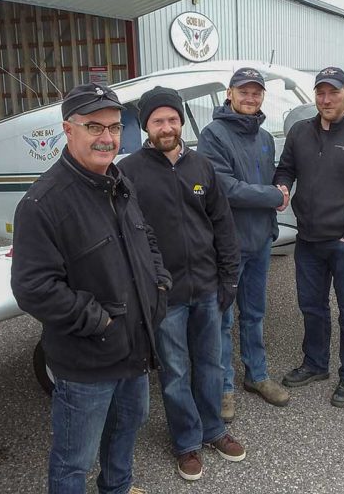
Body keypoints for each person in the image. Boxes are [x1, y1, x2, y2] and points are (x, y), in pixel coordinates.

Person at [10, 83, 171, 494]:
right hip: (87, 363)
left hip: (135, 352)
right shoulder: (42, 203)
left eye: (115, 127)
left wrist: (160, 285)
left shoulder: (119, 182)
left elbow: (146, 238)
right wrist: (100, 321)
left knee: (124, 437)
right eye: (94, 127)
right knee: (73, 462)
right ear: (68, 130)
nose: (108, 138)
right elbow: (33, 287)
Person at [118, 86, 245, 482]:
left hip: (207, 289)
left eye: (173, 118)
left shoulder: (201, 166)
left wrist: (229, 278)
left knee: (210, 363)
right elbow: (128, 235)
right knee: (175, 371)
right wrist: (146, 288)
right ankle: (187, 442)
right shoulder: (130, 172)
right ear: (146, 127)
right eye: (158, 120)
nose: (167, 126)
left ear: (180, 121)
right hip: (165, 295)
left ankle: (214, 430)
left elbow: (222, 224)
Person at [273, 66, 344, 408]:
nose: (326, 99)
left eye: (333, 92)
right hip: (308, 240)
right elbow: (286, 168)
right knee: (311, 307)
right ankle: (315, 363)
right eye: (320, 93)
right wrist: (281, 185)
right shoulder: (299, 133)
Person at [197, 67, 291, 422]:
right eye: (244, 91)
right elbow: (225, 187)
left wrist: (280, 191)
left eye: (256, 92)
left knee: (255, 314)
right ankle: (224, 388)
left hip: (260, 241)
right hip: (228, 245)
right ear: (230, 94)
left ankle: (258, 375)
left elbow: (272, 177)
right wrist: (273, 196)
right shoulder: (213, 135)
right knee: (223, 319)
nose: (250, 98)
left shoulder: (265, 137)